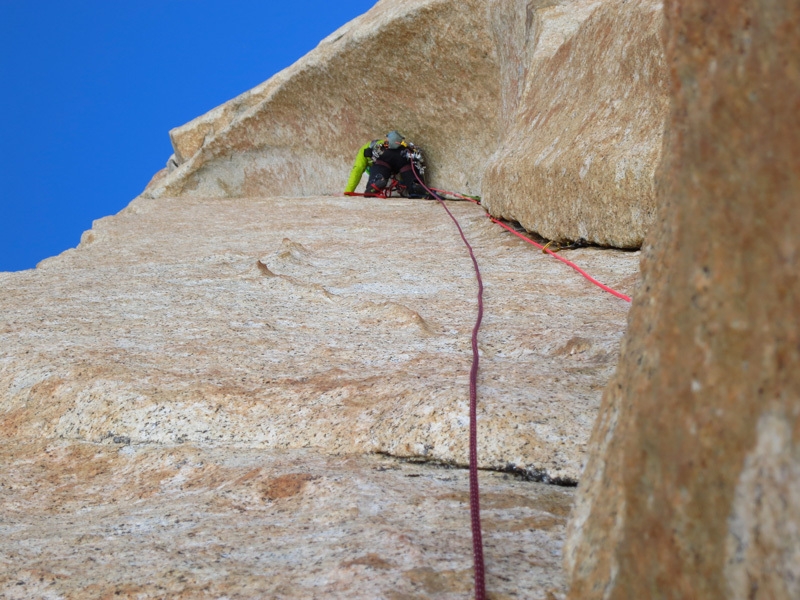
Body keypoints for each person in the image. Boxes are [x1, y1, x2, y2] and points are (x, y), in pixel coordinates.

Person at [344, 131, 430, 198]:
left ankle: (376, 181)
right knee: (407, 168)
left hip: (384, 158)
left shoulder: (365, 149)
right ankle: (414, 185)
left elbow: (357, 169)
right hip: (403, 154)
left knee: (380, 168)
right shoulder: (393, 144)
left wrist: (348, 191)